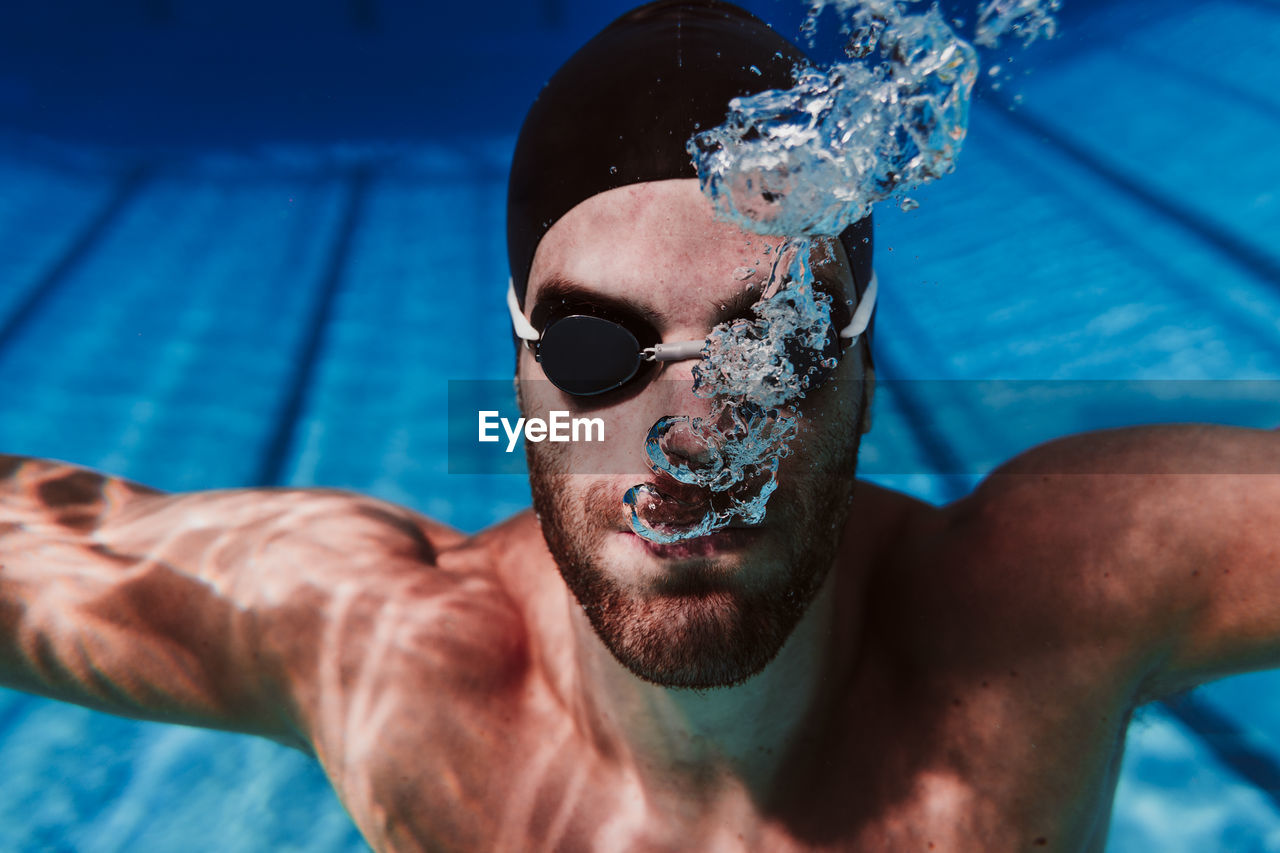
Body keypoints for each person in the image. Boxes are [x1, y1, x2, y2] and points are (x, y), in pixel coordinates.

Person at [2, 1, 1278, 850]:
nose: (686, 438)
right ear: (518, 385)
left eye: (763, 349)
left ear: (859, 374)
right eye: (593, 351)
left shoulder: (1053, 603)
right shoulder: (390, 656)